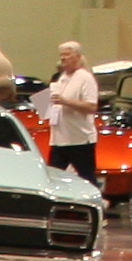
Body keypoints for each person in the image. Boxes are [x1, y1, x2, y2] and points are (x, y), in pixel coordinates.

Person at [30, 42, 101, 184]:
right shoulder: (61, 77)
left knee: (87, 178)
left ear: (77, 57)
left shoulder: (85, 78)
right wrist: (44, 105)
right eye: (61, 55)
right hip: (59, 139)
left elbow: (91, 106)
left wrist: (66, 101)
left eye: (67, 55)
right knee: (53, 177)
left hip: (80, 139)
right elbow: (55, 102)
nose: (63, 58)